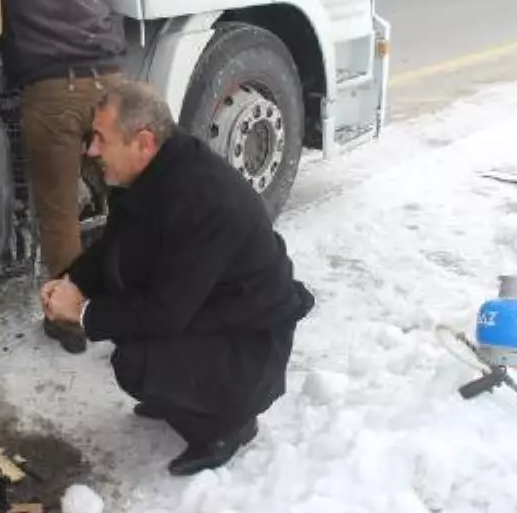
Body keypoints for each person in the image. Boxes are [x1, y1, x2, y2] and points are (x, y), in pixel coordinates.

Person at [42, 79, 314, 476]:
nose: (91, 149)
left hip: (250, 350)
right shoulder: (153, 172)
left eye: (101, 139)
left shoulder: (202, 199)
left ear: (144, 142)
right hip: (209, 315)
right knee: (127, 322)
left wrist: (83, 313)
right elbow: (113, 248)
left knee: (135, 361)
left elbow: (164, 314)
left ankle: (227, 426)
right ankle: (181, 396)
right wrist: (72, 282)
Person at [1, 0, 127, 355]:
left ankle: (68, 321)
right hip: (111, 84)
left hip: (51, 89)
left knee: (59, 213)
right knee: (126, 202)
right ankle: (129, 301)